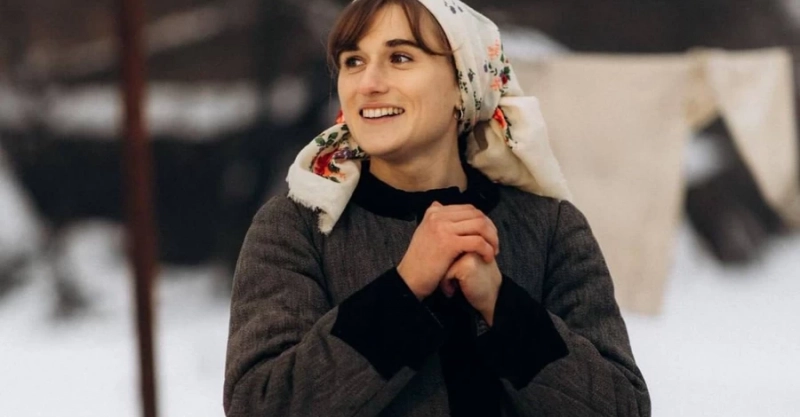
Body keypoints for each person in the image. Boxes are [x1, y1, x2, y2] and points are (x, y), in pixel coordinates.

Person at [223, 0, 651, 415]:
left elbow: (623, 409)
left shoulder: (550, 227)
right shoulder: (299, 228)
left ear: (463, 85)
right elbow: (259, 404)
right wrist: (404, 289)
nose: (368, 83)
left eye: (400, 58)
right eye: (353, 61)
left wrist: (501, 306)